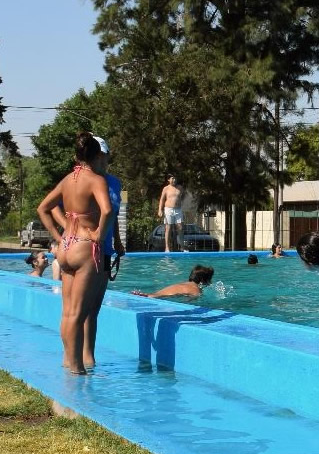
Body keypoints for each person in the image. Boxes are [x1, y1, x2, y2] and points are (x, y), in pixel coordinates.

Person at [36, 131, 113, 375]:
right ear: (97, 155)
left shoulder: (68, 179)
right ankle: (77, 368)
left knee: (67, 312)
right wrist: (99, 235)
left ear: (76, 155)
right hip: (84, 248)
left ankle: (68, 361)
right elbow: (108, 211)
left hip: (66, 247)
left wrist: (59, 238)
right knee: (79, 314)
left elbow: (43, 208)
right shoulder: (96, 180)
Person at [81, 136, 124, 369]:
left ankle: (89, 356)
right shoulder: (83, 180)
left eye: (105, 156)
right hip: (86, 249)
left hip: (105, 249)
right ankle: (76, 357)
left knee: (94, 308)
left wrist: (117, 240)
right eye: (100, 156)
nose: (103, 160)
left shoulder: (115, 183)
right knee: (81, 307)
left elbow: (113, 213)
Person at [131, 265, 214, 299]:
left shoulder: (183, 283)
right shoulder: (195, 289)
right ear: (203, 280)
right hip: (160, 298)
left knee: (153, 295)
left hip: (155, 295)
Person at [158, 174, 184, 252]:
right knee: (168, 228)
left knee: (180, 228)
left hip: (178, 210)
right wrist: (160, 210)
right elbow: (162, 200)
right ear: (168, 180)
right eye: (172, 178)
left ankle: (182, 247)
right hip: (168, 209)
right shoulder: (166, 188)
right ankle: (167, 247)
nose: (174, 180)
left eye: (175, 178)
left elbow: (180, 198)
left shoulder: (180, 188)